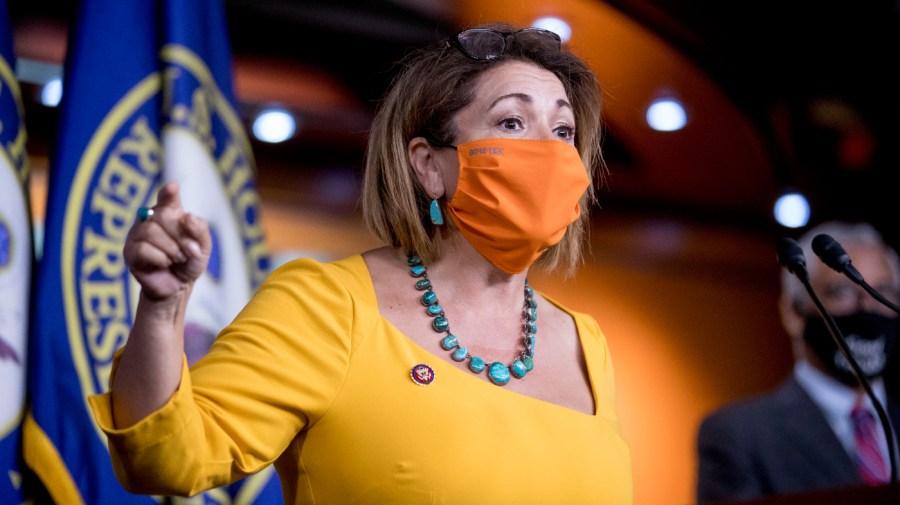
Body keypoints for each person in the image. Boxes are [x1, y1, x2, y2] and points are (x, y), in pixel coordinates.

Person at [87, 22, 634, 504]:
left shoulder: (586, 342)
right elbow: (164, 460)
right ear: (428, 166)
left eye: (564, 131)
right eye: (512, 122)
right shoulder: (326, 304)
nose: (551, 150)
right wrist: (161, 309)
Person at [695, 221, 900, 503]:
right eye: (842, 291)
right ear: (794, 313)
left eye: (883, 291)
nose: (867, 308)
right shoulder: (739, 436)